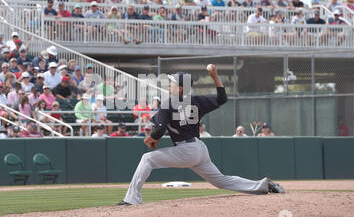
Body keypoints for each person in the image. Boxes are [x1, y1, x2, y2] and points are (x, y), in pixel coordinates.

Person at [117, 65, 284, 206]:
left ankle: (132, 199)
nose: (170, 85)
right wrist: (215, 76)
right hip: (199, 149)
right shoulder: (196, 101)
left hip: (186, 150)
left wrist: (151, 138)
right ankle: (262, 185)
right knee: (220, 181)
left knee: (147, 158)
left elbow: (159, 129)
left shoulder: (168, 103)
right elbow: (222, 98)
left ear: (180, 88)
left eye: (172, 83)